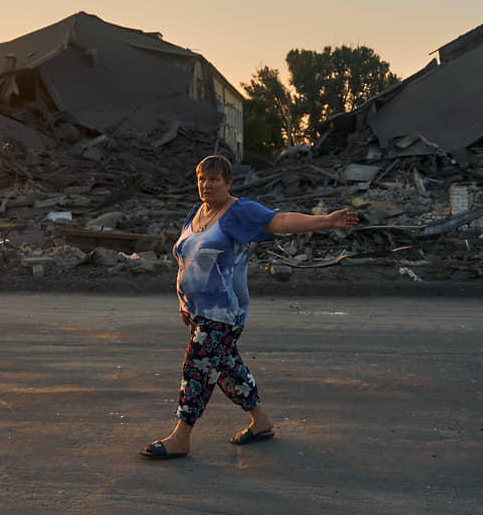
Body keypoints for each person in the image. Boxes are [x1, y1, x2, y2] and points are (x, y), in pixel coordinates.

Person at [140, 154, 359, 460]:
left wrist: (326, 221)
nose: (206, 184)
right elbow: (186, 261)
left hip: (224, 314)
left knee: (199, 367)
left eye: (213, 179)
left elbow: (281, 221)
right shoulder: (196, 213)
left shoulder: (239, 212)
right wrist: (184, 303)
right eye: (201, 178)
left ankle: (181, 438)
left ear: (228, 183)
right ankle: (262, 422)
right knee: (228, 369)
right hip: (200, 313)